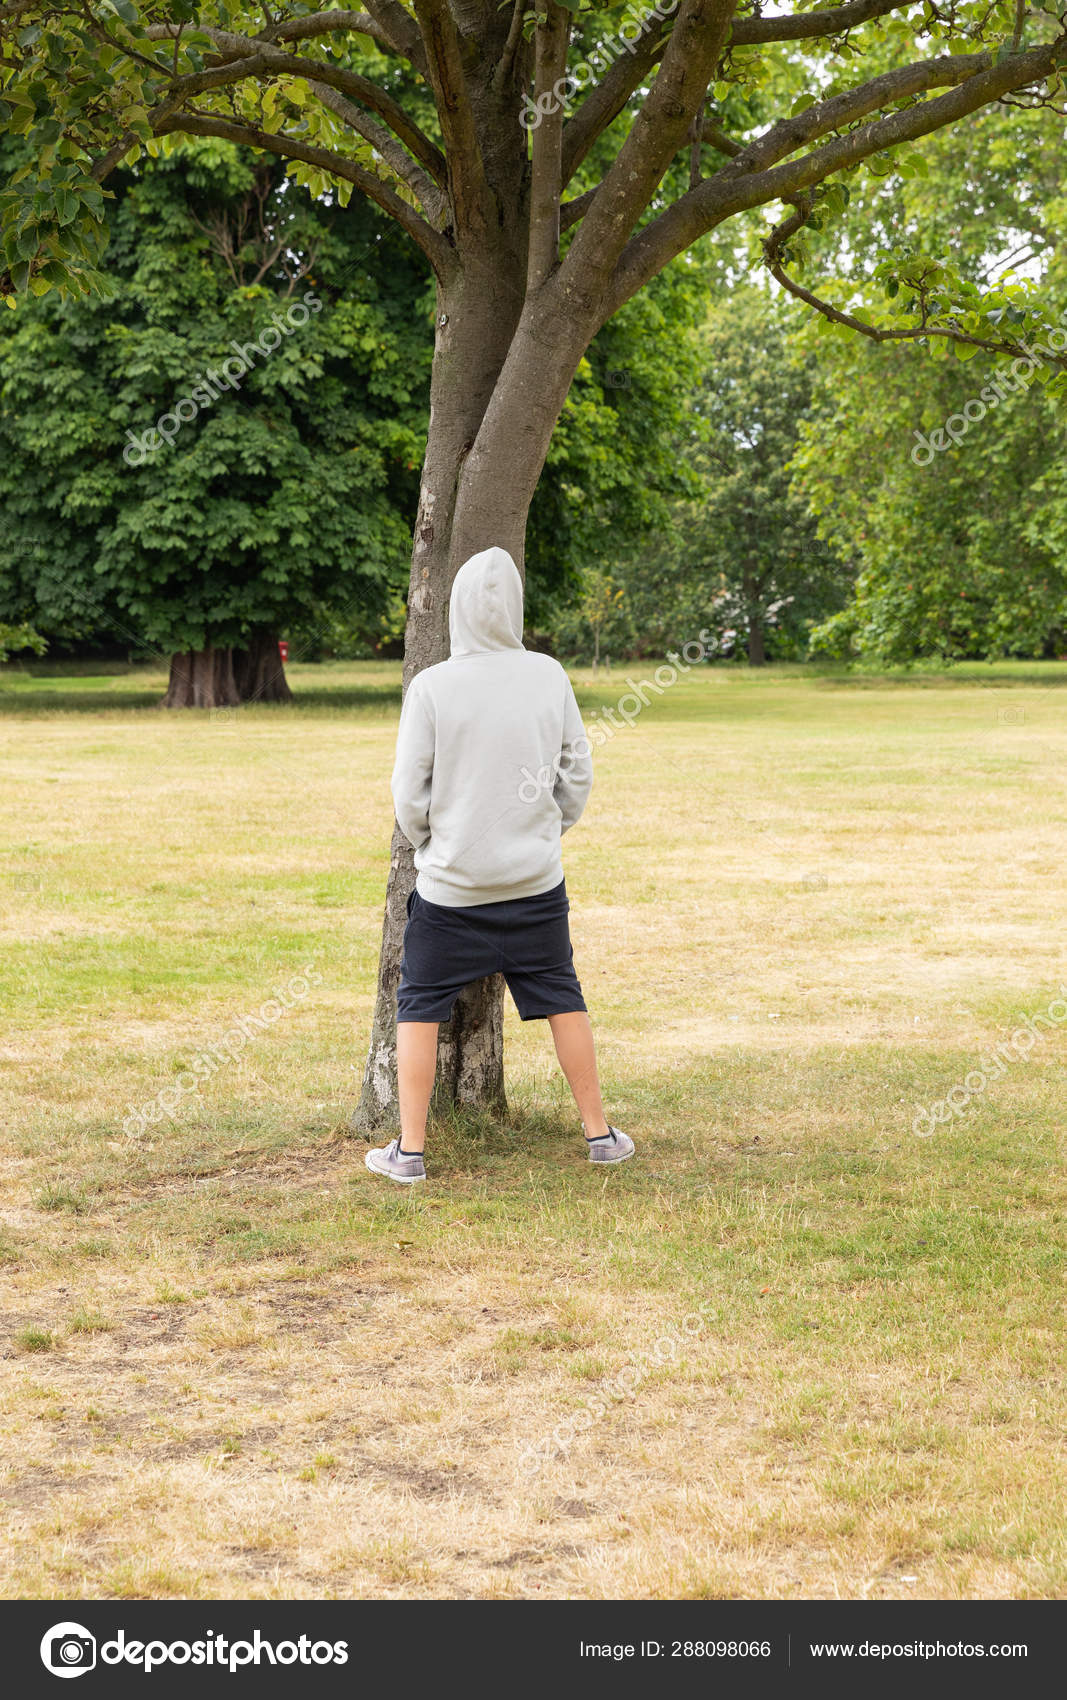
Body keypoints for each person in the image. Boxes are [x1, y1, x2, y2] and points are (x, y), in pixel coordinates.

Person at [364, 545, 635, 1184]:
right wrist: (544, 830)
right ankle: (599, 1134)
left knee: (419, 1005)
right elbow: (577, 773)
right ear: (515, 606)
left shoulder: (430, 687)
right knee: (563, 994)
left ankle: (410, 1151)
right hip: (535, 885)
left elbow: (409, 792)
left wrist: (435, 844)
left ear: (456, 608)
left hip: (451, 893)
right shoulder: (549, 675)